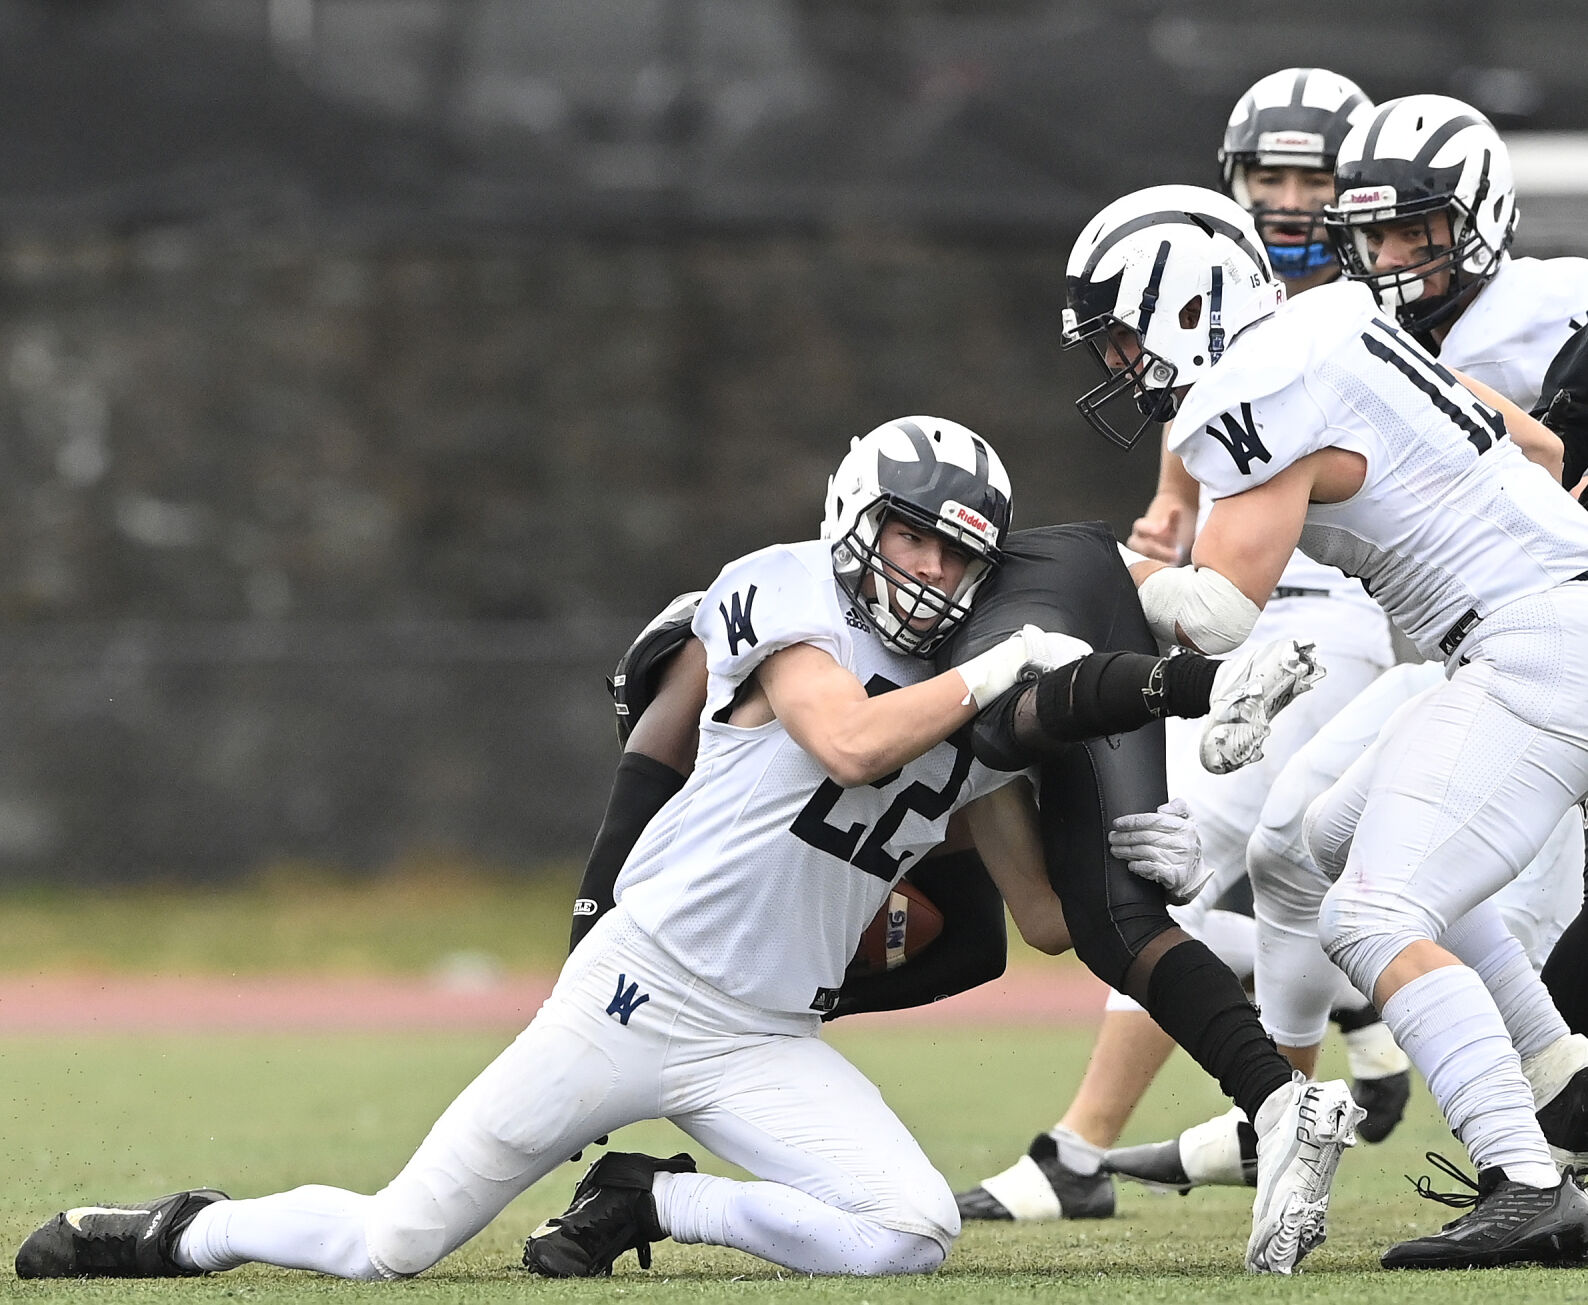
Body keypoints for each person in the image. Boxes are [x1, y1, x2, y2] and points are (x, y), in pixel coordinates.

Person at [12, 416, 1311, 1283]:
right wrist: (1024, 671)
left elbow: (1036, 914)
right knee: (390, 1245)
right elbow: (851, 743)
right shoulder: (789, 591)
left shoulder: (966, 682)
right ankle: (183, 1232)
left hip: (761, 1038)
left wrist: (1153, 846)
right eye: (909, 533)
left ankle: (657, 1199)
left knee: (907, 1237)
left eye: (956, 549)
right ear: (857, 519)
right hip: (634, 996)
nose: (925, 566)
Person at [1062, 178, 1588, 1269]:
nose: (1117, 365)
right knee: (1306, 846)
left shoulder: (1254, 388)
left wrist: (1084, 582)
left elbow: (1214, 612)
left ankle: (1525, 1177)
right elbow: (1535, 448)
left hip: (1529, 642)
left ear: (1184, 303)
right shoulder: (1335, 321)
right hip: (1525, 626)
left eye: (1120, 336)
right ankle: (1557, 1084)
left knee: (1376, 912)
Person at [956, 66, 1406, 1228]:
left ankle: (1112, 1143)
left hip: (1337, 616)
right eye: (1269, 173)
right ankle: (1316, 1060)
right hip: (1274, 614)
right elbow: (1183, 500)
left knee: (1200, 855)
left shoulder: (1363, 305)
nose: (1293, 197)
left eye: (1315, 173)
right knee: (1210, 858)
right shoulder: (1219, 324)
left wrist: (1103, 590)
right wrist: (1144, 550)